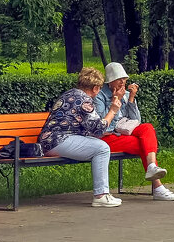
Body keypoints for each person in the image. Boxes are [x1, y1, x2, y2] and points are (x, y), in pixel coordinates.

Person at [93, 63, 174, 201]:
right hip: (108, 137)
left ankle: (152, 167)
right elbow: (104, 127)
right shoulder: (100, 96)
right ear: (110, 81)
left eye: (124, 78)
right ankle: (158, 187)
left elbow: (136, 121)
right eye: (118, 78)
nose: (122, 82)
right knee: (144, 145)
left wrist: (131, 99)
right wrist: (116, 101)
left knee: (147, 127)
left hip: (125, 131)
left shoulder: (126, 94)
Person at [38, 68, 121, 207]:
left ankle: (103, 194)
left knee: (98, 145)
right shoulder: (85, 101)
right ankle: (101, 195)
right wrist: (112, 111)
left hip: (50, 141)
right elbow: (99, 129)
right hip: (59, 141)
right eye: (99, 88)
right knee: (102, 148)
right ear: (95, 88)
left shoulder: (69, 94)